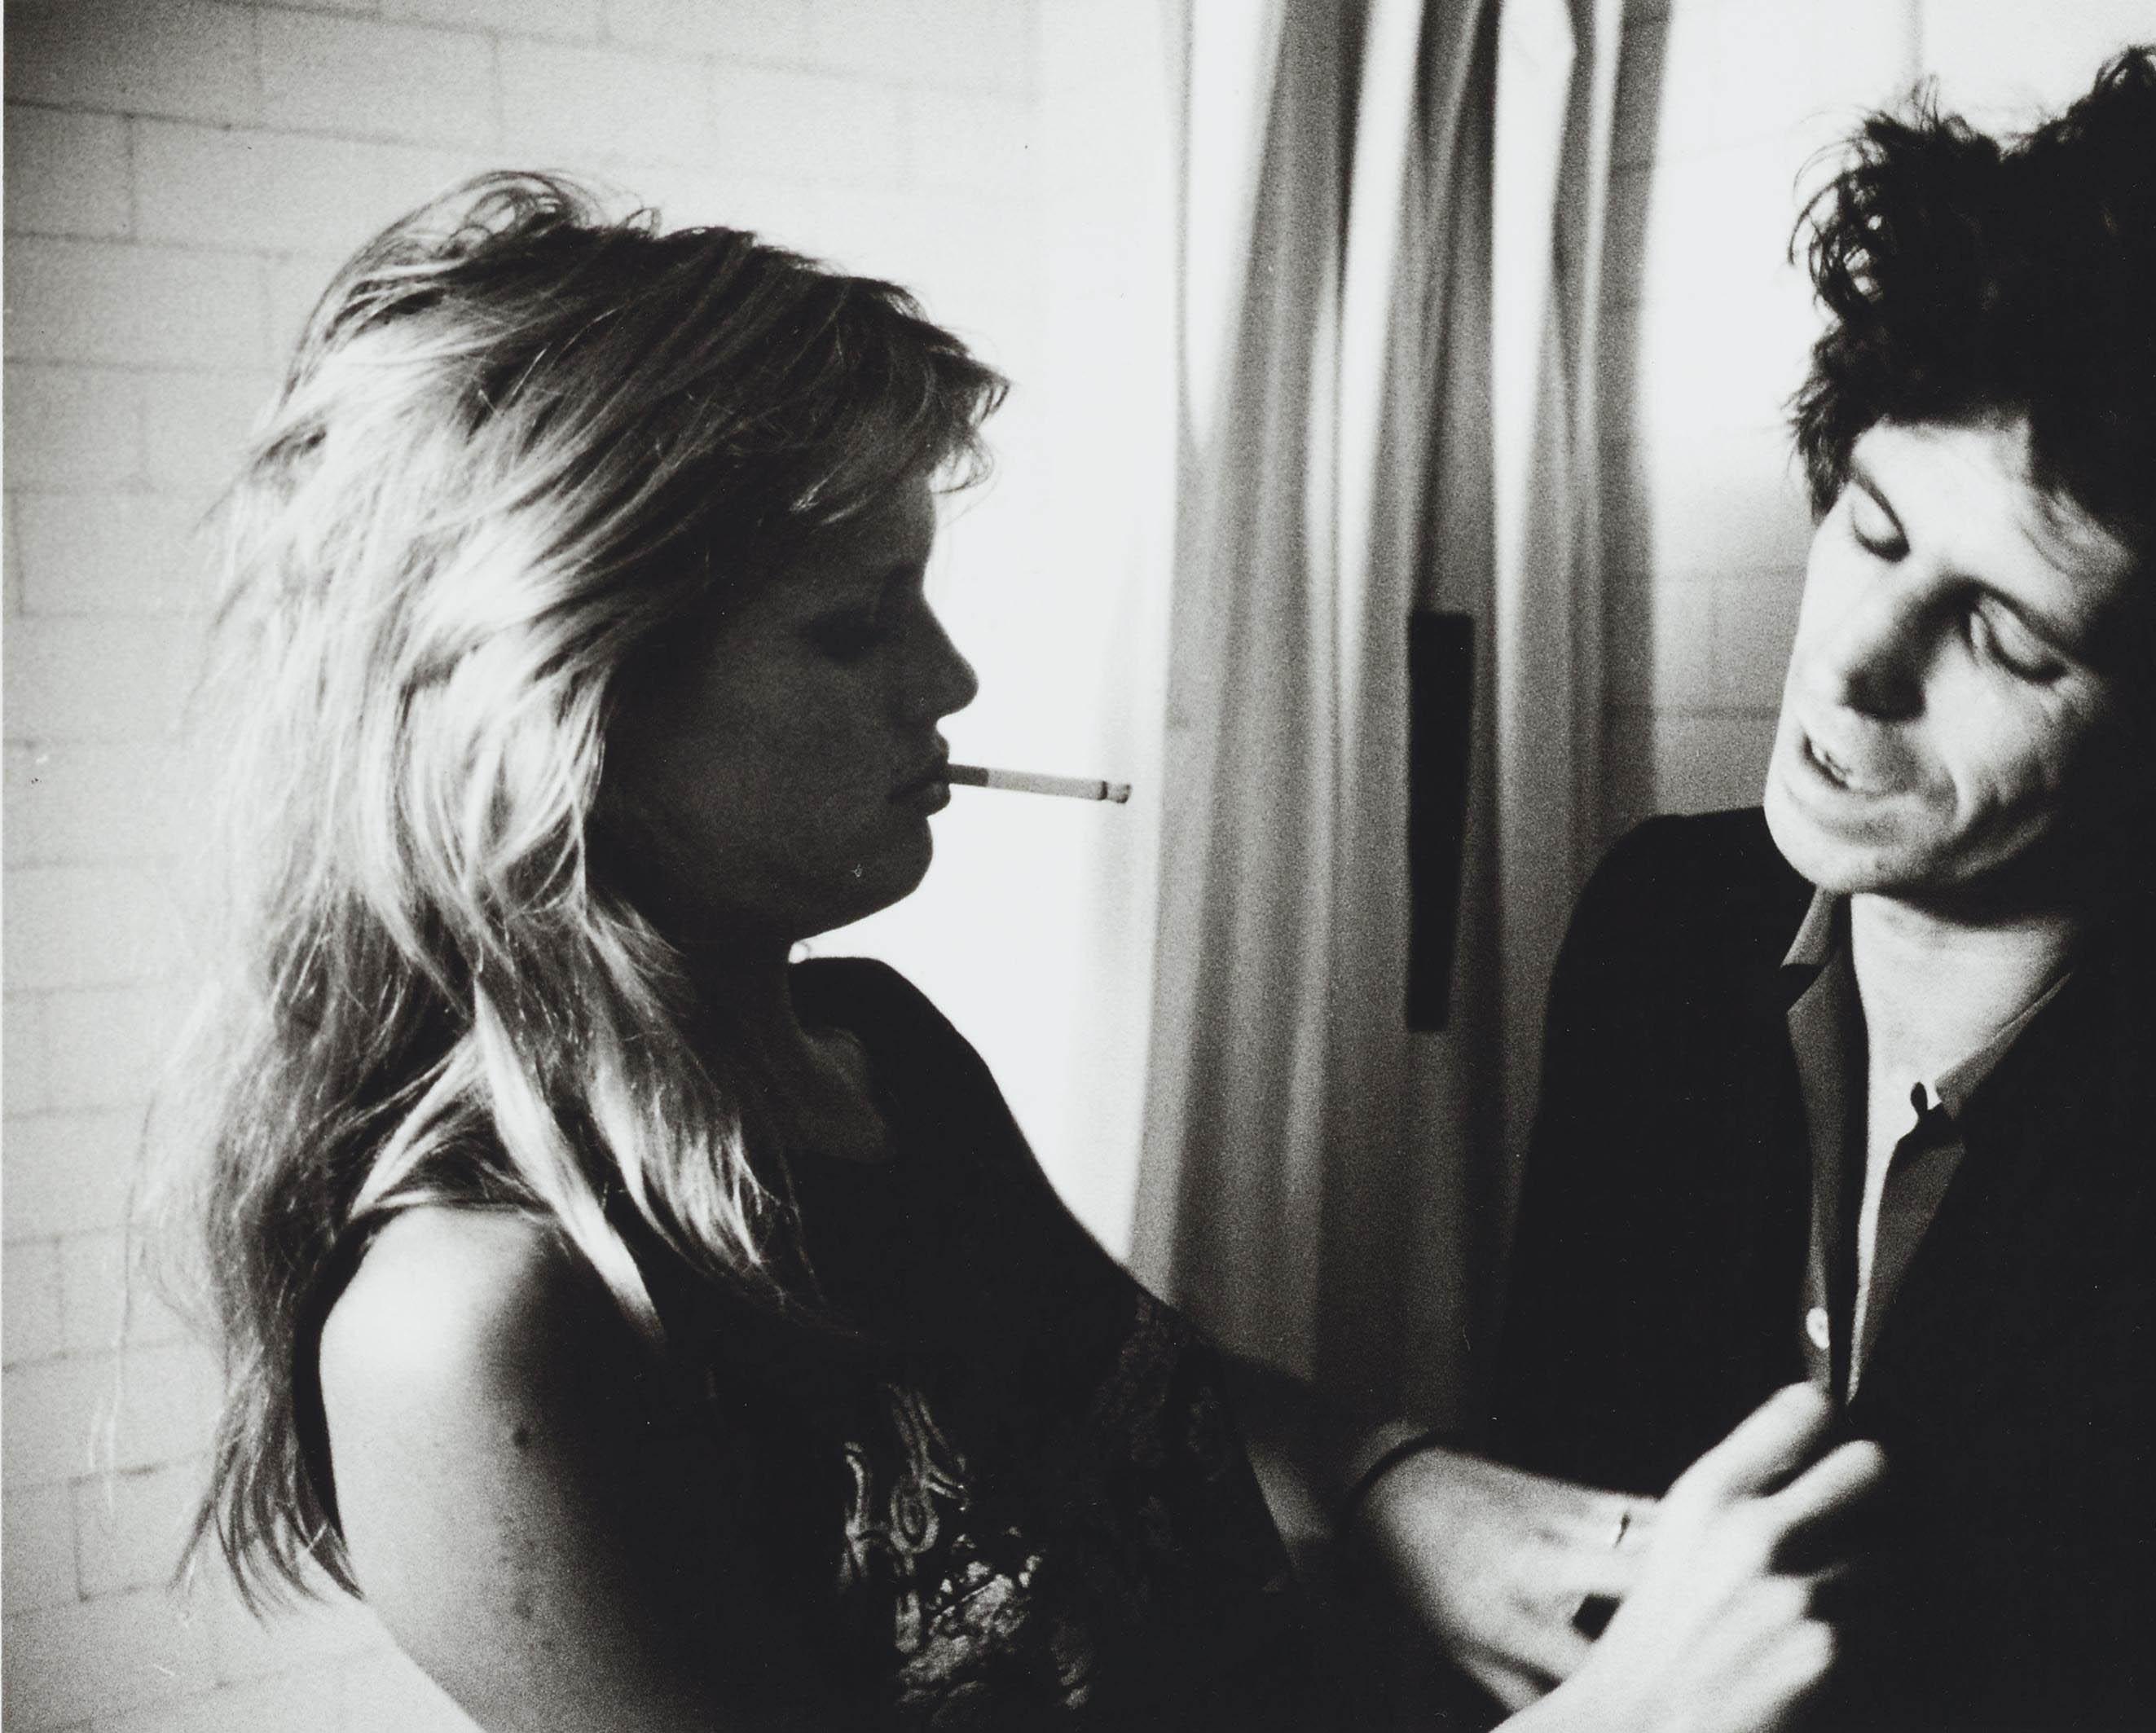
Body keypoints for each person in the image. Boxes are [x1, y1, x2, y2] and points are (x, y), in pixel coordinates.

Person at [160, 174, 1883, 1732]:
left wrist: (1386, 1482)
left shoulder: (872, 1050)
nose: (950, 680)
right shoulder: (476, 1327)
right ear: (568, 704)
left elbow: (1130, 1394)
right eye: (854, 624)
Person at [1352, 37, 2156, 1728]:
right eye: (1871, 532)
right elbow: (1557, 1540)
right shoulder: (1662, 923)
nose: (1851, 665)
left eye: (2005, 638)